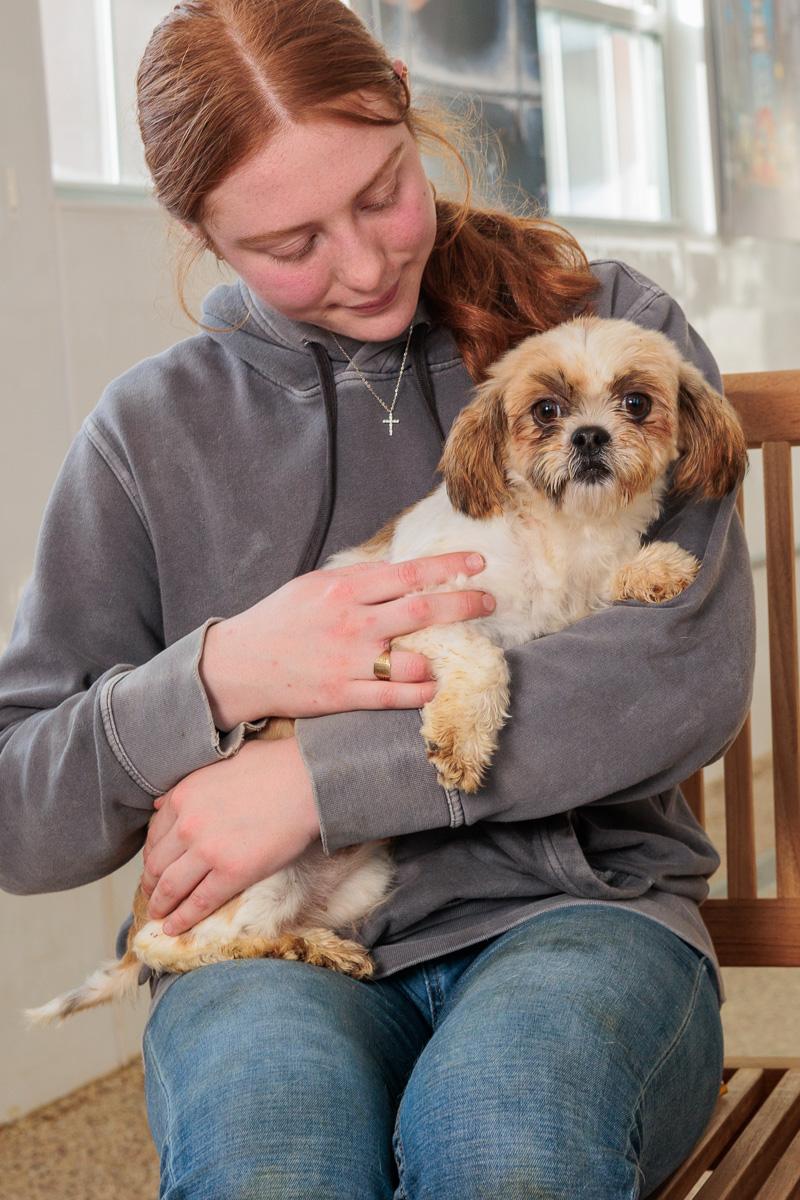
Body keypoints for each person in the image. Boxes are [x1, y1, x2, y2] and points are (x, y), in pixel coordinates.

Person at [0, 1, 755, 1196]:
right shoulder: (147, 433)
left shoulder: (609, 331)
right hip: (270, 951)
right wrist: (215, 675)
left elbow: (677, 677)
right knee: (270, 1161)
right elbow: (18, 807)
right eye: (291, 241)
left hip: (577, 919)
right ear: (197, 230)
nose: (360, 265)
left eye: (379, 193)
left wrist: (311, 780)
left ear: (403, 101)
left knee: (503, 1140)